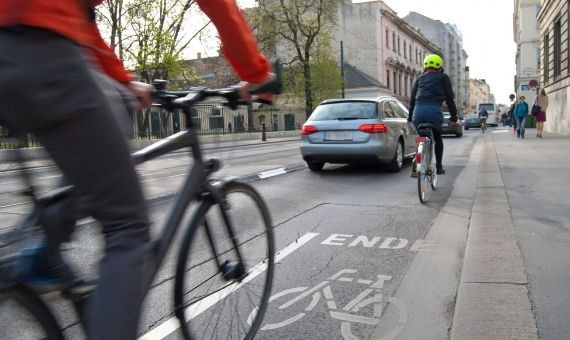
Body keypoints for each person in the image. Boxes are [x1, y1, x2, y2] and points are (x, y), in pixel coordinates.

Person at [0, 1, 276, 339]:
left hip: (20, 48)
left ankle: (48, 246)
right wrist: (257, 74)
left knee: (115, 103)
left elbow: (79, 19)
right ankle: (51, 248)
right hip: (44, 52)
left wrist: (123, 80)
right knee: (128, 227)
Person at [408, 54, 458, 176]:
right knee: (437, 138)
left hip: (418, 114)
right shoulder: (443, 77)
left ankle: (416, 161)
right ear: (439, 66)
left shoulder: (419, 78)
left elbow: (412, 101)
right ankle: (439, 167)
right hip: (434, 113)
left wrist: (410, 118)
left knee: (421, 137)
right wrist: (454, 118)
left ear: (425, 65)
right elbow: (450, 100)